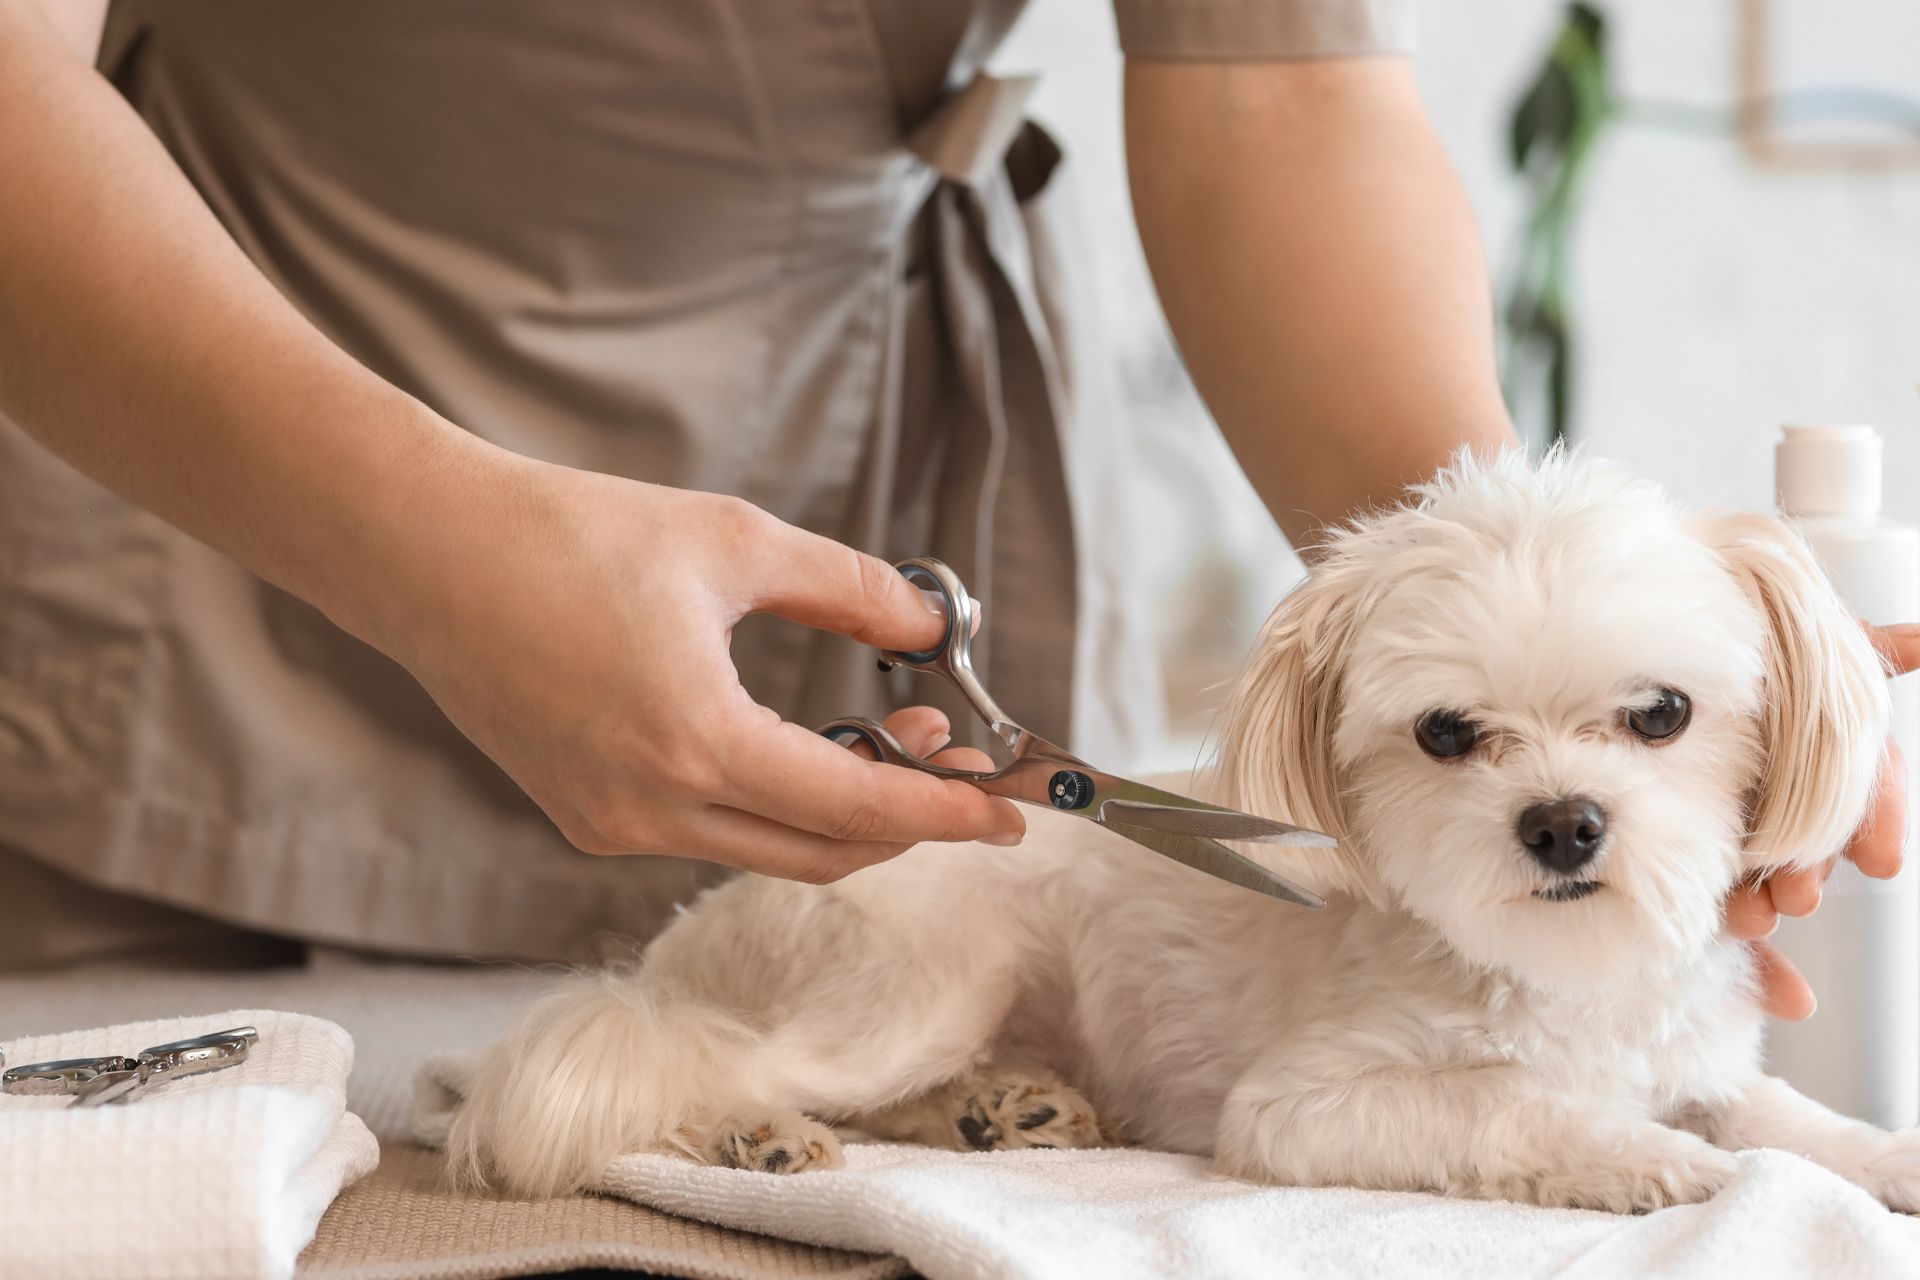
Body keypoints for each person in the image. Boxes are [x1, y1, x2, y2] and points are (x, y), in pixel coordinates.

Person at [0, 2, 1901, 1018]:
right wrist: (434, 561)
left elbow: (1271, 93)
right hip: (218, 487)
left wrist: (1487, 645)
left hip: (880, 476)